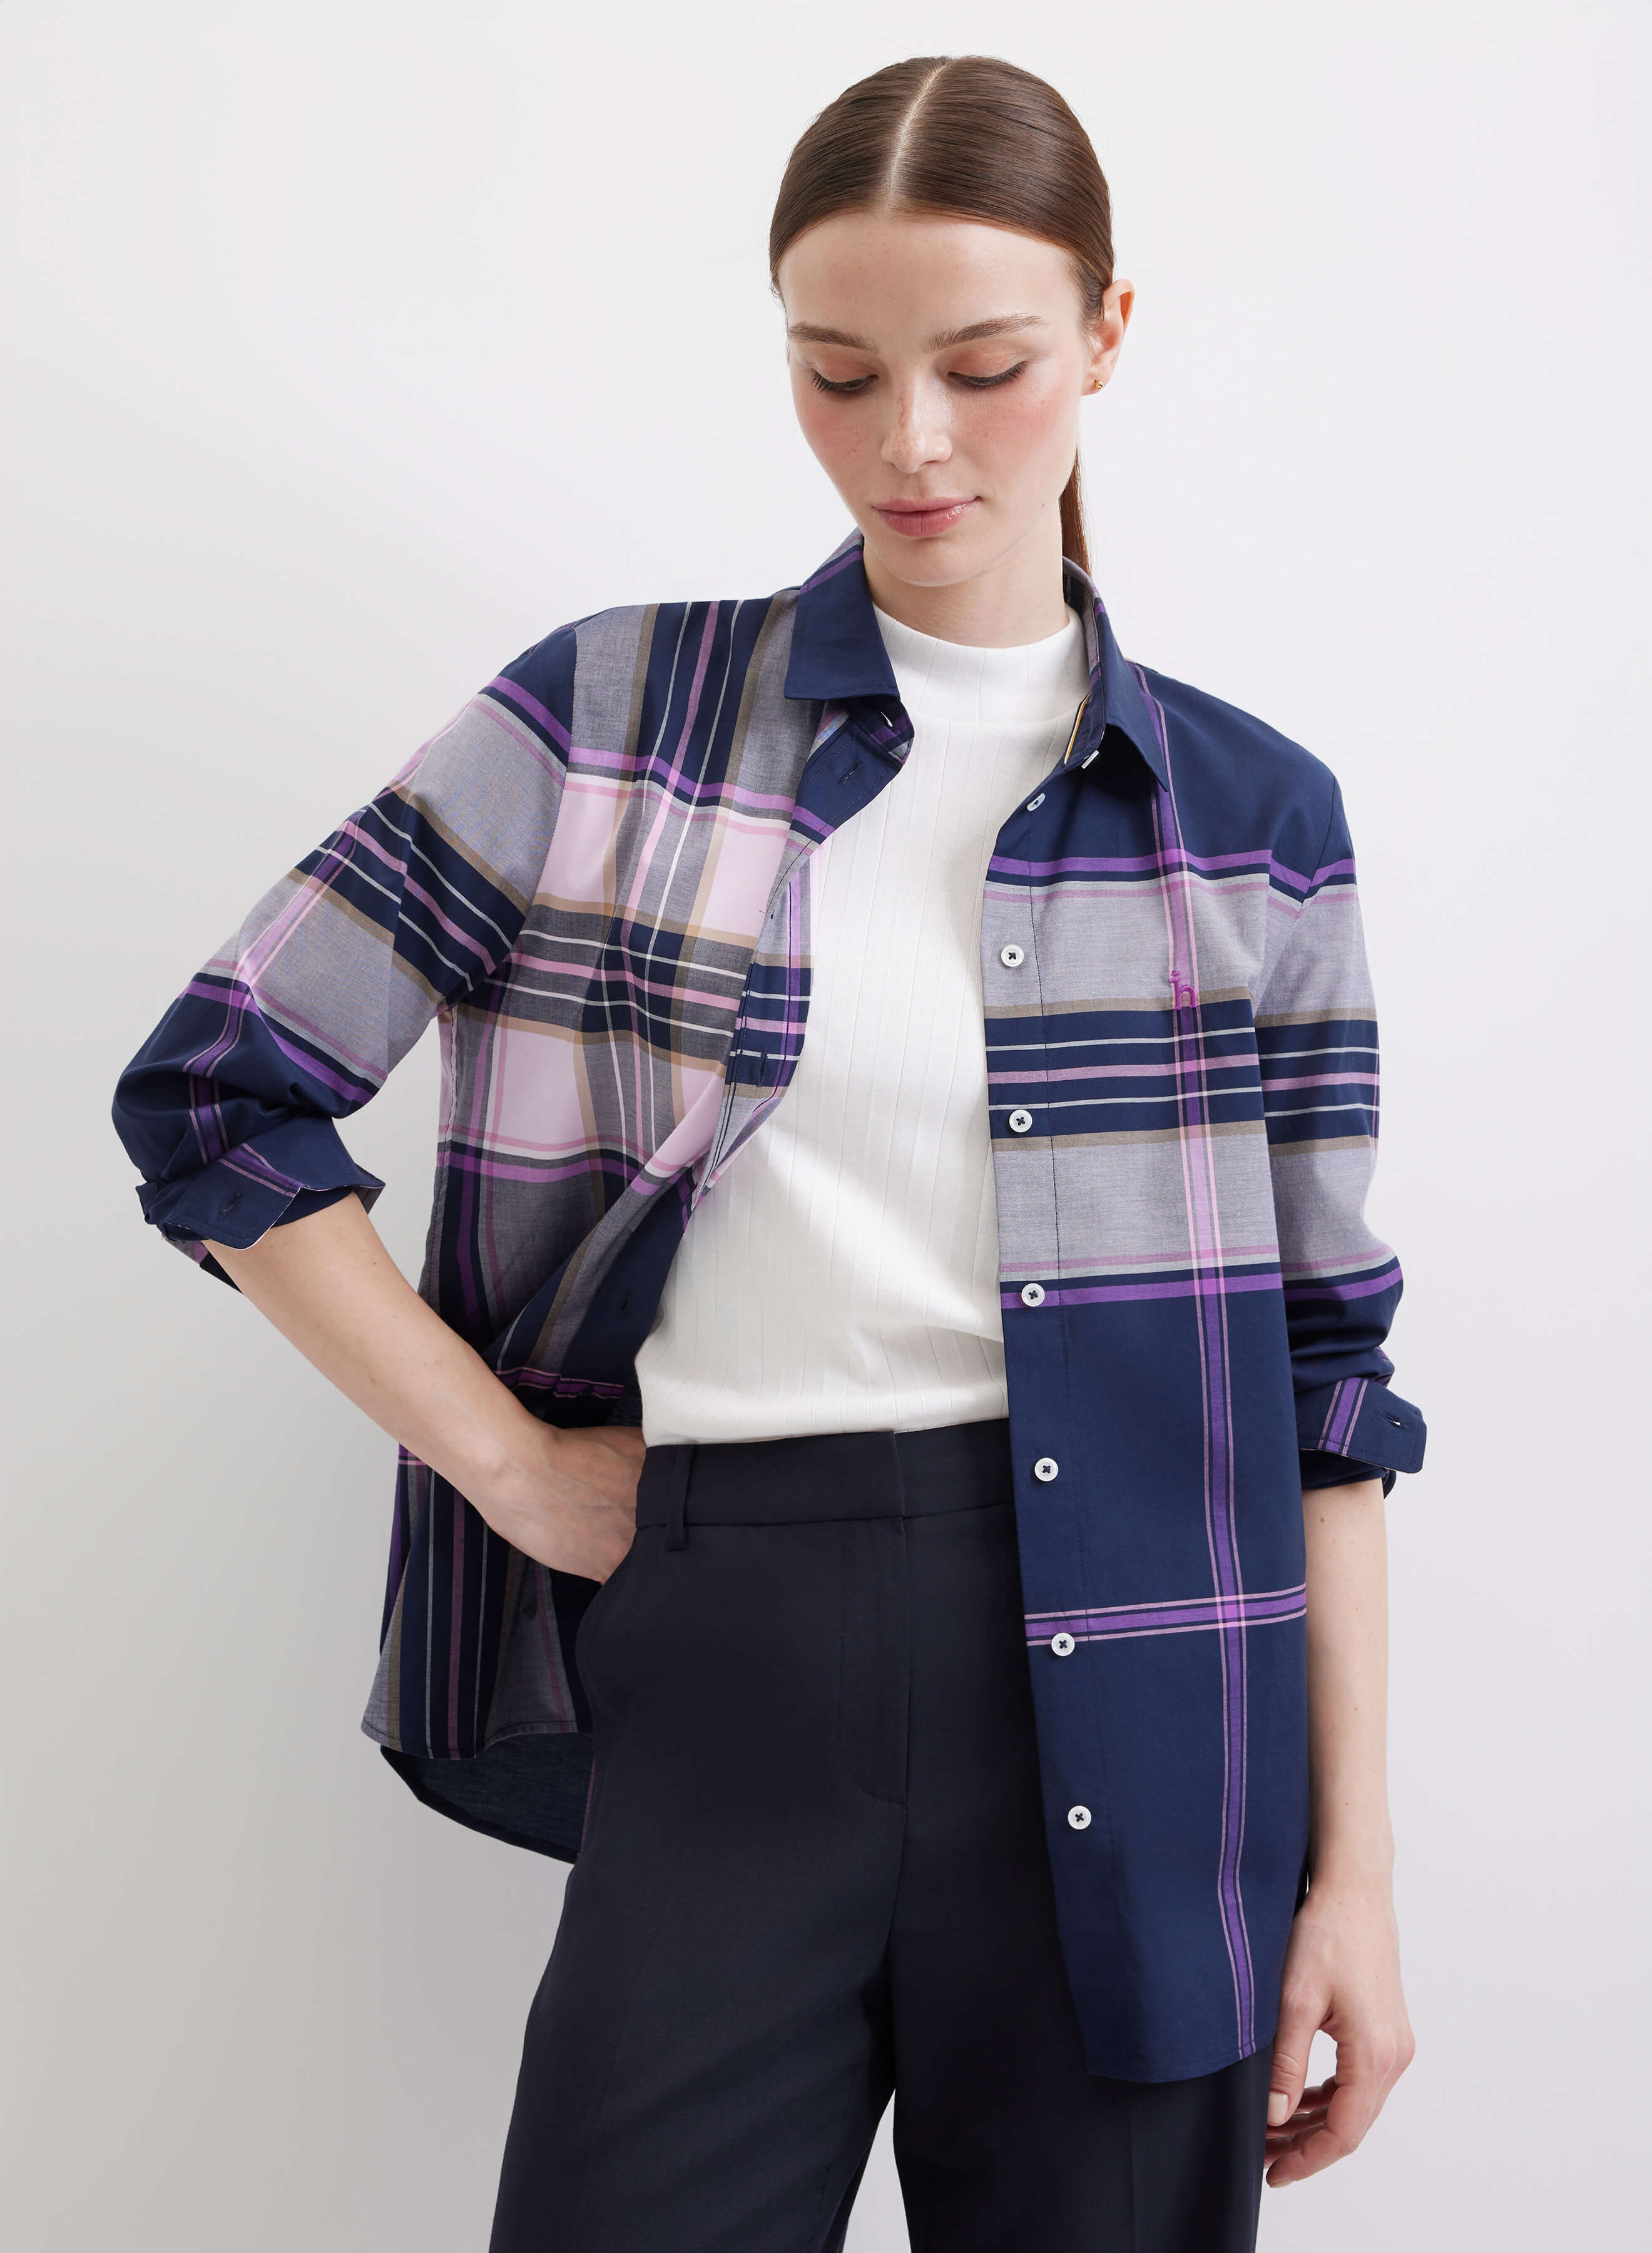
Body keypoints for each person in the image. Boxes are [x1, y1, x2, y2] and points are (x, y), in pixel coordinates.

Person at [112, 53, 1424, 2253]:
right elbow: (218, 1089)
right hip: (732, 1632)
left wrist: (1354, 1879)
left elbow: (1327, 1381)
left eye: (985, 368)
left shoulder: (1251, 820)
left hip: (1154, 1670)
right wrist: (511, 1467)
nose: (911, 442)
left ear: (1107, 332)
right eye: (839, 373)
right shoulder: (609, 723)